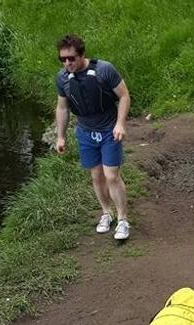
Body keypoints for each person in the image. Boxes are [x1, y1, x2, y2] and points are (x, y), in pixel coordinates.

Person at [54, 34, 131, 240]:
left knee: (112, 175)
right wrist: (60, 137)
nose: (67, 63)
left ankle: (123, 220)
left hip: (108, 130)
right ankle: (107, 213)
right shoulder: (62, 78)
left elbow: (124, 96)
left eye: (71, 58)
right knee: (96, 176)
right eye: (63, 59)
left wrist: (120, 123)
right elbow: (62, 107)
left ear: (82, 54)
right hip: (85, 132)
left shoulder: (104, 70)